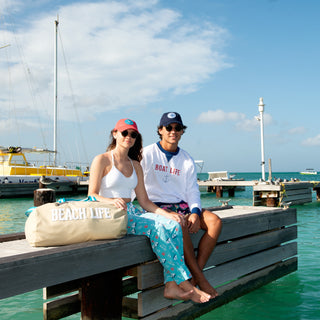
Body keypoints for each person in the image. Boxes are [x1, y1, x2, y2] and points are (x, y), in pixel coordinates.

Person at [88, 118, 211, 303]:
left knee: (173, 224)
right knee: (158, 228)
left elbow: (145, 202)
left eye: (133, 134)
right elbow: (92, 195)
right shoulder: (102, 160)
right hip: (110, 213)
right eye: (124, 133)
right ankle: (185, 284)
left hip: (131, 211)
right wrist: (111, 200)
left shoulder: (136, 164)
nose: (128, 137)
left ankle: (170, 286)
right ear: (115, 134)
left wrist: (168, 214)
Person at [141, 112, 222, 298]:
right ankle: (201, 280)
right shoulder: (146, 154)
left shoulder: (186, 159)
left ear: (182, 132)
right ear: (160, 130)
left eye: (177, 128)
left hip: (183, 205)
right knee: (179, 222)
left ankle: (195, 277)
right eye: (168, 127)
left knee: (215, 221)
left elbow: (192, 190)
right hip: (158, 207)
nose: (173, 131)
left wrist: (194, 212)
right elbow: (133, 182)